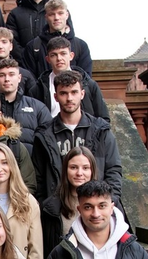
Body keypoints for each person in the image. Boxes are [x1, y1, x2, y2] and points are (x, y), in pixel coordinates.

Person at [32, 71, 121, 204]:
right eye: (63, 93)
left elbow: (113, 170)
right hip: (60, 209)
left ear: (82, 94)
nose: (69, 98)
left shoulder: (100, 131)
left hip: (96, 206)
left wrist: (108, 202)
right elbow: (38, 178)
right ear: (55, 97)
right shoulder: (44, 135)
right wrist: (47, 204)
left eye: (74, 92)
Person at [30, 37, 108, 120]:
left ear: (71, 56)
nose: (59, 58)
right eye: (54, 55)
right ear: (48, 59)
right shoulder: (37, 89)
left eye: (63, 53)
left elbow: (103, 119)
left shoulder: (89, 84)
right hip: (50, 131)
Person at [40, 146, 97, 259]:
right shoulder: (50, 208)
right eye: (73, 167)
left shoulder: (106, 204)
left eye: (85, 168)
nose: (79, 173)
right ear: (66, 170)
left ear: (92, 171)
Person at [5, 0, 74, 56]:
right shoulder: (15, 14)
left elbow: (69, 35)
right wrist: (26, 60)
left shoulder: (60, 11)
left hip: (55, 61)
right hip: (26, 65)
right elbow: (12, 42)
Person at [0, 58, 52, 155]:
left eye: (11, 74)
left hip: (29, 165)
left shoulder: (37, 107)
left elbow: (49, 141)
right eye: (2, 75)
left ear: (19, 78)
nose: (7, 79)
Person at [22, 0, 92, 79]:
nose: (56, 18)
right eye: (52, 14)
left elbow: (86, 79)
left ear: (67, 15)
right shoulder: (33, 46)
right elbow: (30, 81)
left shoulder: (80, 46)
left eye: (60, 13)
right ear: (46, 17)